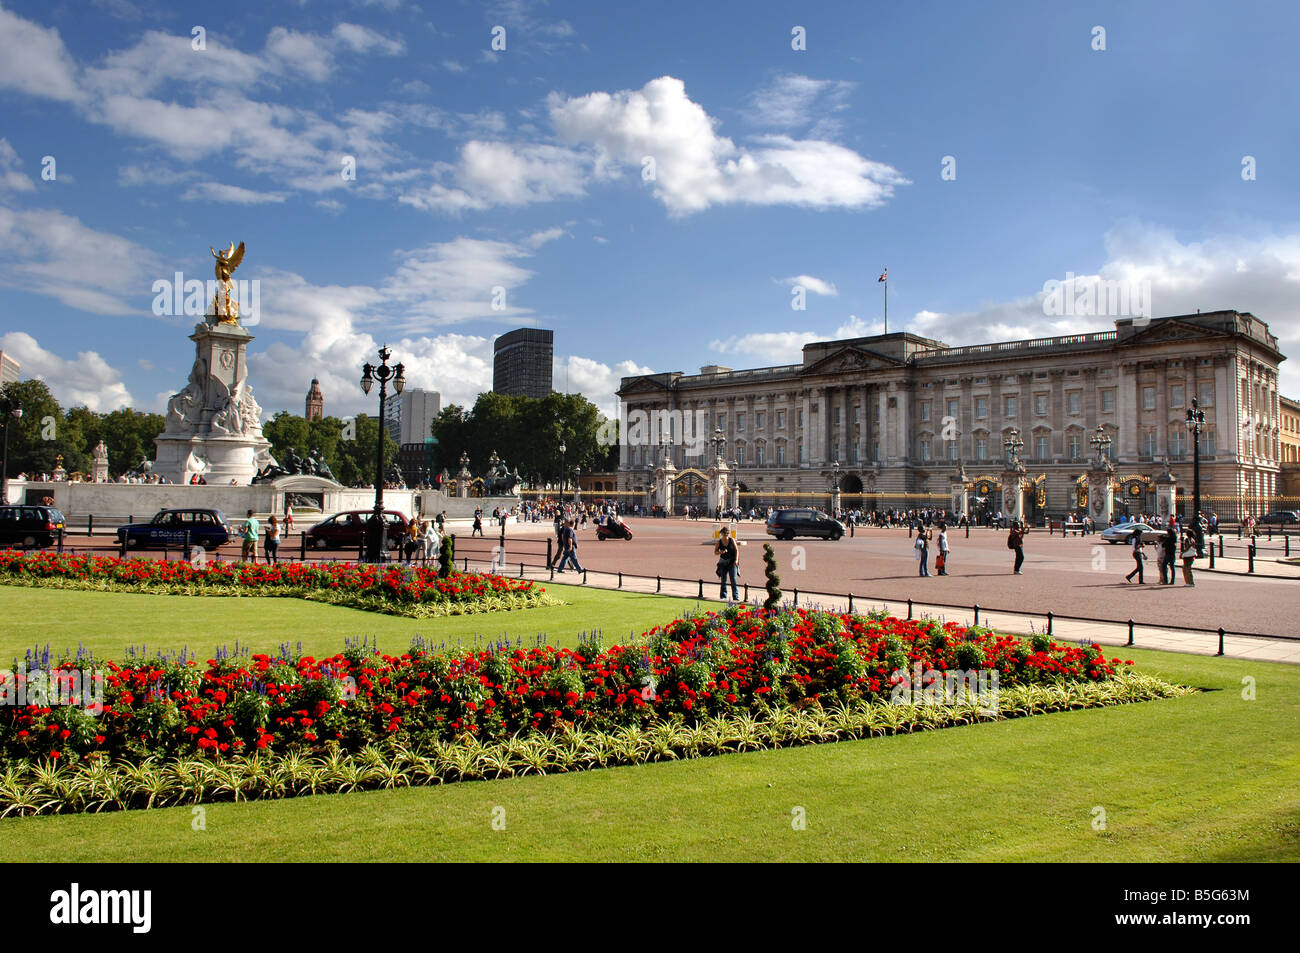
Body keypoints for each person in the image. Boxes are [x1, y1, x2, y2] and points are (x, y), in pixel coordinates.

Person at [714, 524, 740, 601]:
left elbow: (736, 550)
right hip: (723, 562)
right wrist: (720, 552)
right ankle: (723, 596)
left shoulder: (732, 540)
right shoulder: (719, 542)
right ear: (721, 535)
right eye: (723, 535)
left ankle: (735, 596)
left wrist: (736, 560)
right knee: (723, 580)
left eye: (726, 535)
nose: (725, 537)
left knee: (733, 579)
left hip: (732, 562)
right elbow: (715, 552)